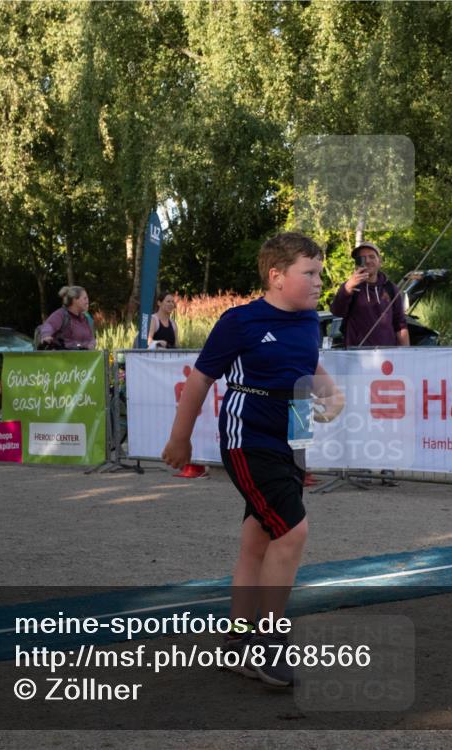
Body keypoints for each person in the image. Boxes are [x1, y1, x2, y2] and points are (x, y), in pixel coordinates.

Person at [162, 232, 344, 687]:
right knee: (292, 531)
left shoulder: (307, 321)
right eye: (311, 273)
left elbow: (310, 367)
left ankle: (237, 644)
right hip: (248, 439)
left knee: (258, 540)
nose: (320, 281)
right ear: (276, 276)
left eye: (320, 272)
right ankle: (269, 645)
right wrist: (180, 439)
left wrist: (333, 396)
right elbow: (202, 380)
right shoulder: (239, 321)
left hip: (292, 439)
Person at [329, 242, 409, 347]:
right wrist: (348, 287)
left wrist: (406, 353)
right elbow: (337, 312)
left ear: (379, 261)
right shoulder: (350, 287)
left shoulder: (390, 288)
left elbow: (400, 324)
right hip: (357, 355)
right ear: (357, 263)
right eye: (362, 258)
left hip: (386, 355)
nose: (367, 261)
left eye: (372, 257)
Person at [39, 286, 96, 350]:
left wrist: (92, 344)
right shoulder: (61, 315)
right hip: (63, 358)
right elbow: (49, 325)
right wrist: (46, 335)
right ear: (75, 300)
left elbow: (91, 338)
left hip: (84, 358)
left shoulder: (86, 318)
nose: (87, 301)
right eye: (85, 298)